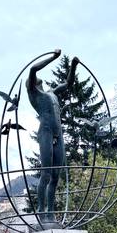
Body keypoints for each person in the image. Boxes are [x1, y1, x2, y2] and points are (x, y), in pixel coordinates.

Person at [26, 50, 79, 223]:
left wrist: (73, 65)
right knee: (46, 174)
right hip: (46, 133)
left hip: (58, 134)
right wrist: (54, 57)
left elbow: (68, 84)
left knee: (56, 176)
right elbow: (33, 68)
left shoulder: (52, 93)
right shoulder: (35, 94)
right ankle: (41, 211)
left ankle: (51, 213)